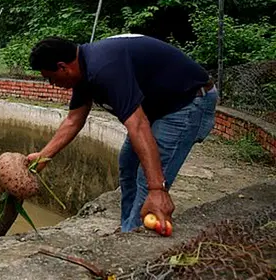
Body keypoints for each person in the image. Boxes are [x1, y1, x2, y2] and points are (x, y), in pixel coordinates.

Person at [27, 34, 218, 234]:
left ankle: (134, 234)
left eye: (50, 77)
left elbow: (137, 124)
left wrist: (157, 189)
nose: (51, 84)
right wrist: (43, 157)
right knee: (128, 165)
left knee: (148, 181)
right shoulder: (83, 72)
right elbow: (74, 120)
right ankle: (129, 226)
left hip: (188, 103)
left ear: (63, 67)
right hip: (158, 110)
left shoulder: (103, 68)